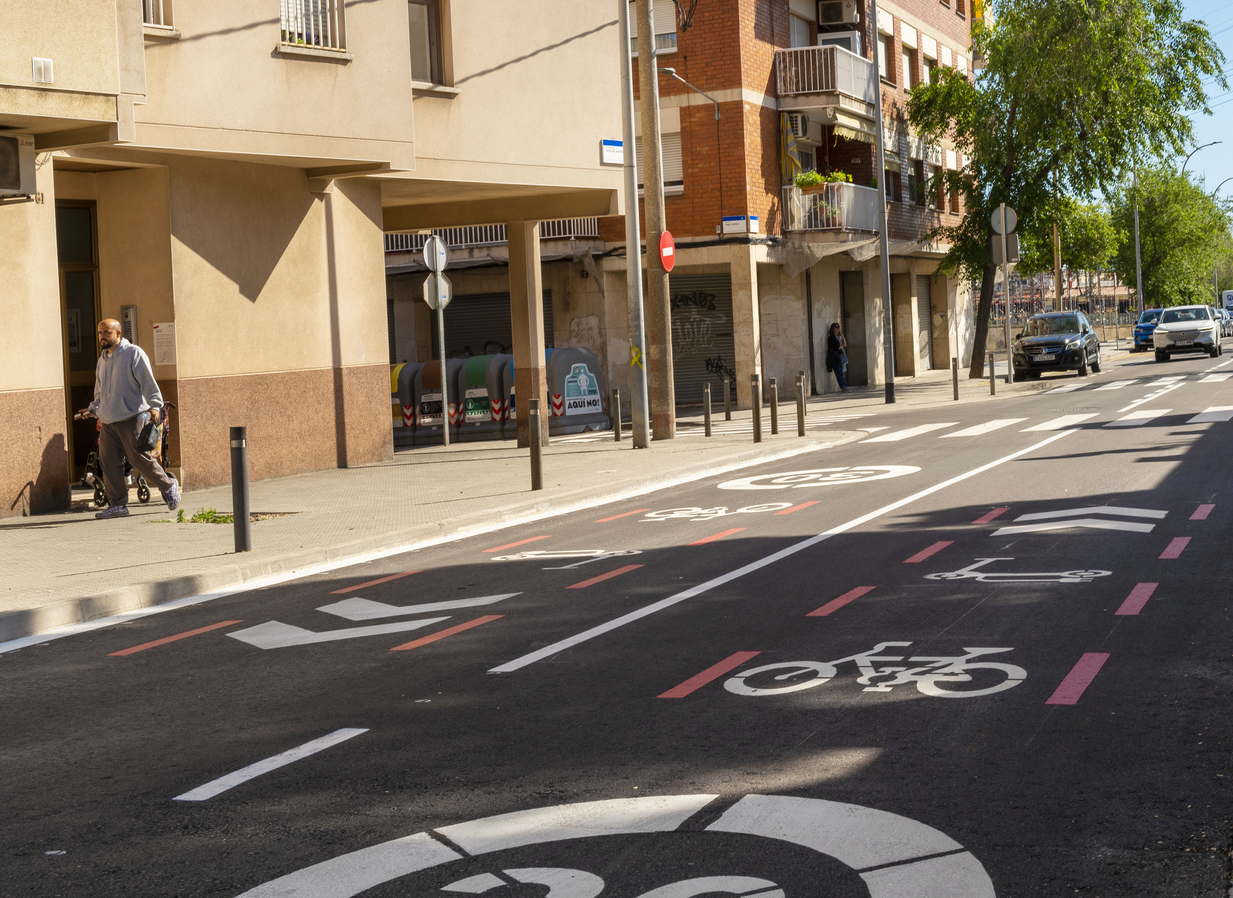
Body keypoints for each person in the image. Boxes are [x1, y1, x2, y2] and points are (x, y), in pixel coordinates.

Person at [79, 319, 181, 519]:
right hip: (108, 421)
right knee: (109, 462)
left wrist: (155, 405)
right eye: (100, 333)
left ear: (118, 334)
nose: (102, 336)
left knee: (138, 459)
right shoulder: (101, 361)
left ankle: (168, 486)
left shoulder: (133, 353)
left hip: (131, 417)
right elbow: (99, 393)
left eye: (107, 332)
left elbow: (148, 382)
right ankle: (117, 504)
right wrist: (93, 409)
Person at [825, 322, 852, 393]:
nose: (838, 329)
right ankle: (843, 387)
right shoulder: (831, 338)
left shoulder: (838, 337)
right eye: (836, 327)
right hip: (835, 358)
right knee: (839, 373)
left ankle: (844, 386)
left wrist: (842, 336)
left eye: (838, 327)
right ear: (832, 329)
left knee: (841, 373)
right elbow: (838, 347)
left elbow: (844, 345)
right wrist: (842, 346)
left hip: (840, 357)